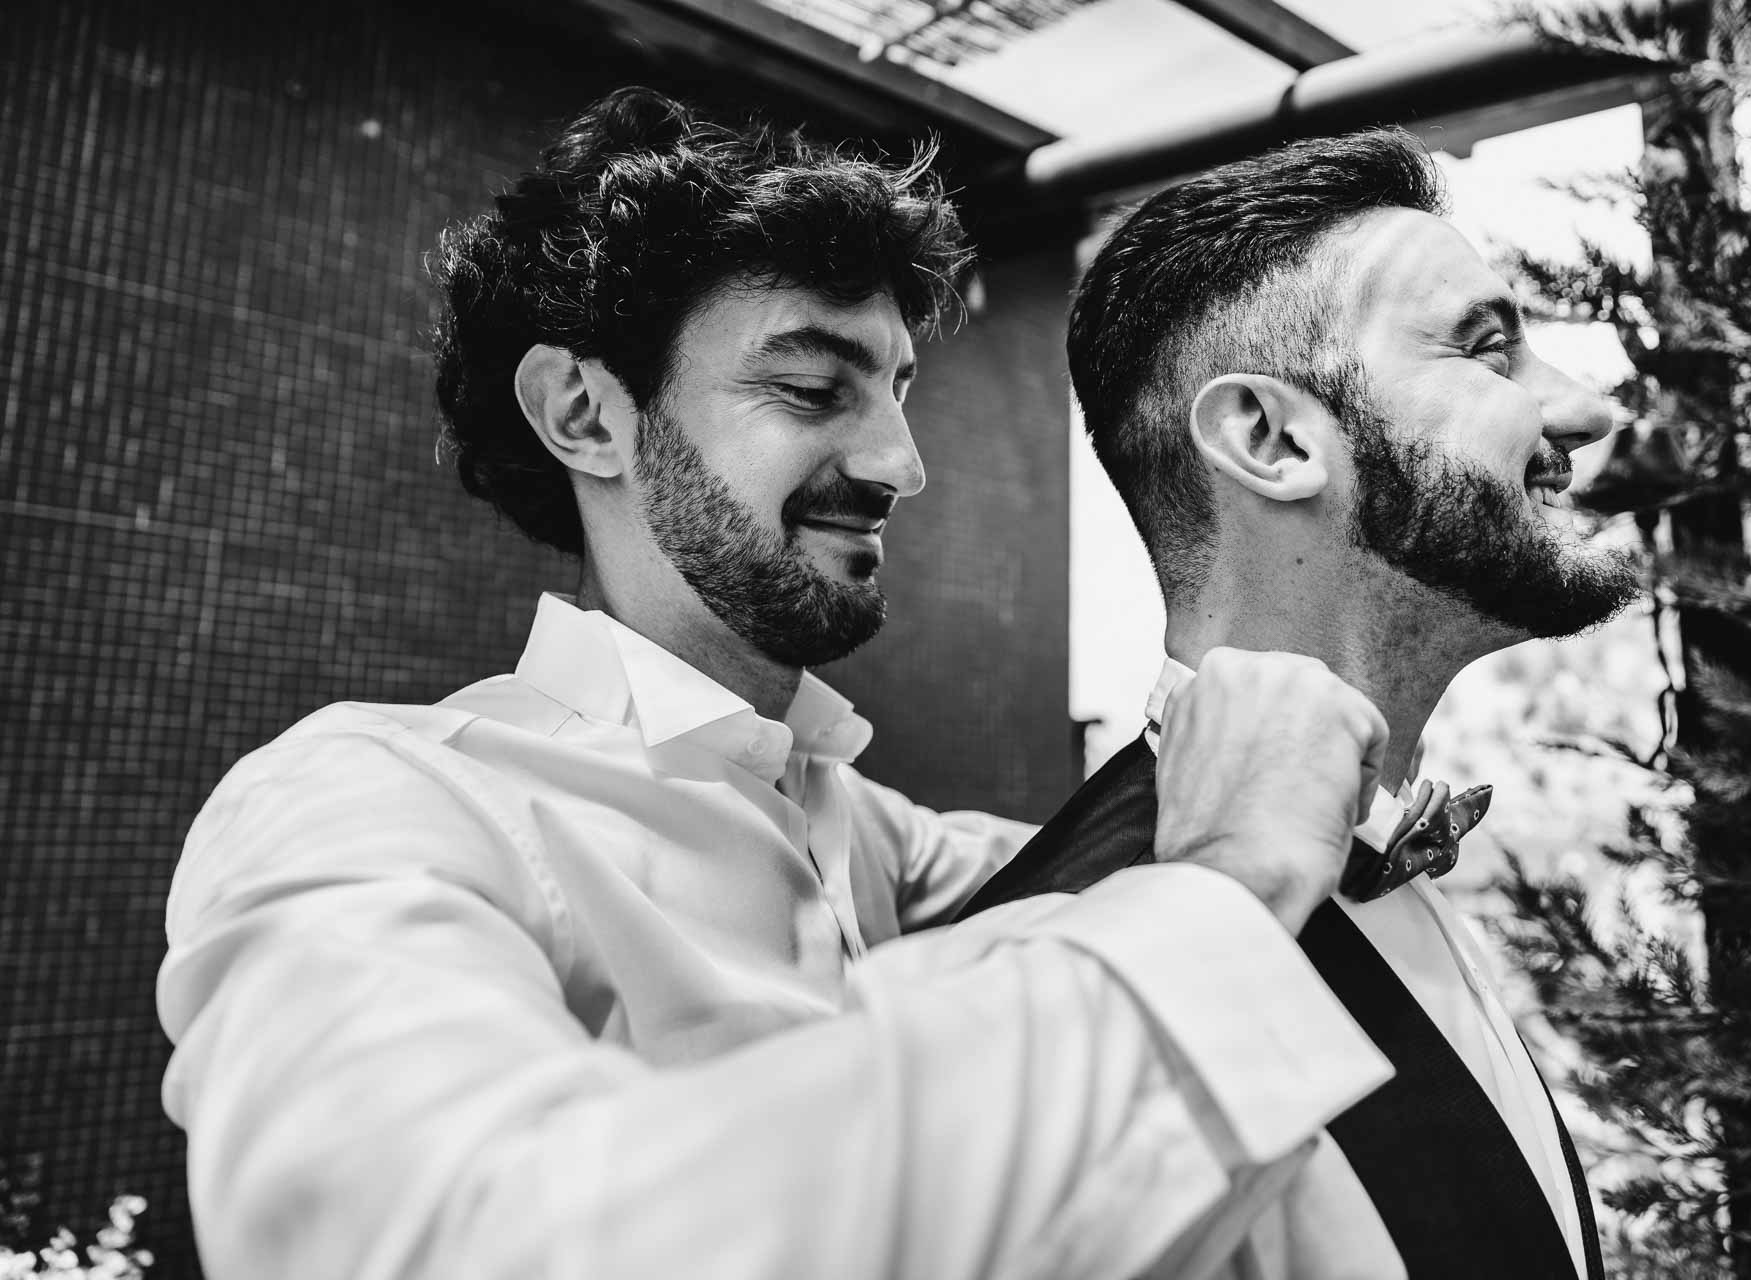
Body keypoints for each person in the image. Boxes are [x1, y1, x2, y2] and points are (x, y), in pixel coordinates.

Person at [155, 89, 1400, 1280]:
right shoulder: (368, 800)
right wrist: (1229, 880)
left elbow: (1111, 853)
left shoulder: (865, 832)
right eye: (810, 388)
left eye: (898, 390)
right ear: (584, 413)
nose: (902, 464)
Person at [960, 128, 1640, 1280]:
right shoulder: (1053, 999)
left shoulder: (1392, 835)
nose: (1583, 408)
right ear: (1271, 440)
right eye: (1488, 351)